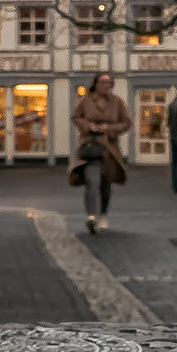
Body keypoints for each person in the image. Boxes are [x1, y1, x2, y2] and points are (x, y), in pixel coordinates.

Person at [70, 72, 131, 233]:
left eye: (109, 83)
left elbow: (126, 123)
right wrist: (89, 127)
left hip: (110, 149)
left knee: (105, 184)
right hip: (91, 147)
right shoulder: (86, 101)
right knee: (92, 181)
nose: (107, 85)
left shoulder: (117, 102)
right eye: (103, 82)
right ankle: (91, 216)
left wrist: (108, 129)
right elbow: (76, 117)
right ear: (95, 84)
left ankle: (103, 214)